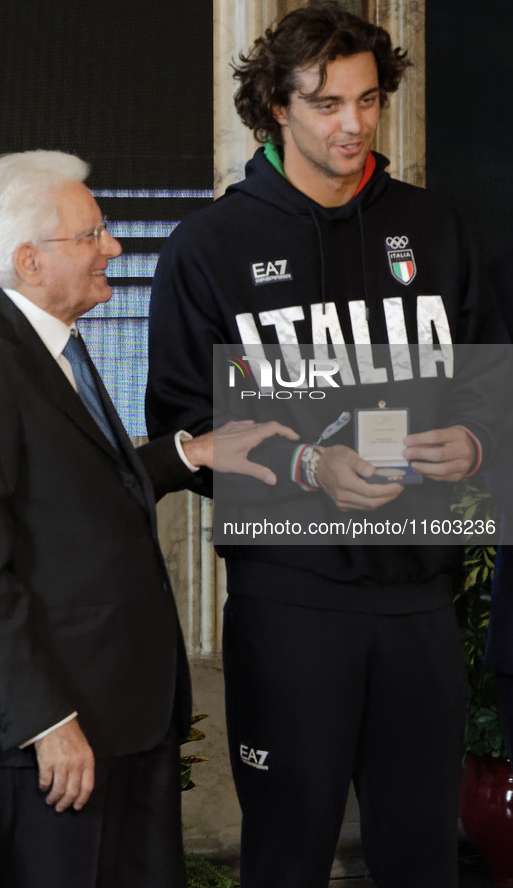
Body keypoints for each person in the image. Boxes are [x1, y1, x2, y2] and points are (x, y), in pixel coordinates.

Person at [145, 4, 506, 887]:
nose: (351, 125)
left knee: (422, 857)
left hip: (421, 601)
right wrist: (307, 469)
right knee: (287, 856)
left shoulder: (435, 227)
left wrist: (470, 440)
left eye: (367, 100)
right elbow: (182, 437)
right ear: (276, 106)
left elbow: (491, 390)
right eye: (324, 104)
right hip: (289, 603)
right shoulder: (208, 248)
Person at [0, 150, 297, 888]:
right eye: (91, 234)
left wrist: (187, 452)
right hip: (63, 735)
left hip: (122, 720)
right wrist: (44, 724)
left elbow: (71, 492)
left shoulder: (45, 344)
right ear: (30, 260)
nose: (114, 248)